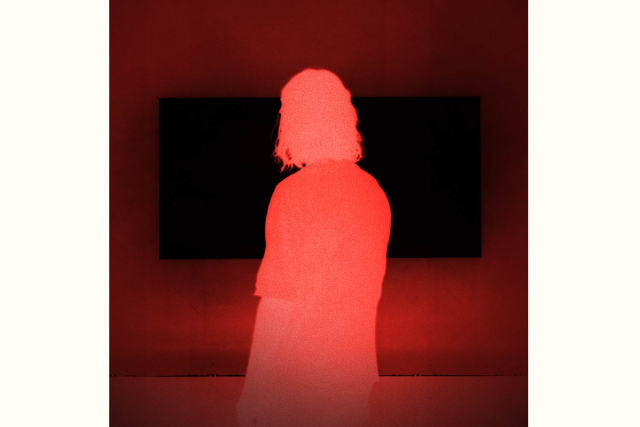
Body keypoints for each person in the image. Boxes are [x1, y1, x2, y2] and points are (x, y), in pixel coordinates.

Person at [237, 68, 391, 427]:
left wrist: (252, 391)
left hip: (295, 379)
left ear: (295, 121)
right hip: (355, 376)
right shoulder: (373, 192)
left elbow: (278, 300)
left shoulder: (293, 193)